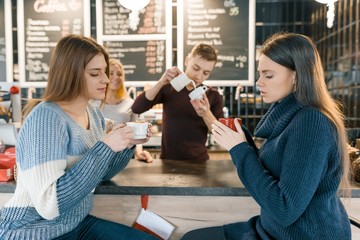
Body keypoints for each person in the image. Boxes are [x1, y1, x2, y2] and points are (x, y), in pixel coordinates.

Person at [182, 32, 352, 239]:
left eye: (268, 75)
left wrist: (240, 149)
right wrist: (243, 142)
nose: (259, 82)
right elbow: (275, 176)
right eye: (260, 74)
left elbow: (284, 209)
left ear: (297, 75)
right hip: (273, 230)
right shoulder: (293, 117)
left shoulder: (312, 122)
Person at [0, 34, 157, 240]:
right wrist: (106, 147)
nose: (107, 80)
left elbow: (102, 174)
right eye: (95, 73)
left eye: (105, 72)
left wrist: (126, 145)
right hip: (32, 230)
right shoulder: (47, 119)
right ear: (70, 75)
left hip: (73, 223)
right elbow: (49, 205)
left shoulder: (94, 114)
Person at [131, 44, 224, 160]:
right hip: (167, 161)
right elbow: (137, 108)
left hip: (200, 162)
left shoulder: (212, 95)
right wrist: (161, 82)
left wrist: (206, 113)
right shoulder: (170, 88)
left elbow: (221, 135)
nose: (199, 76)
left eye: (206, 73)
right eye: (196, 68)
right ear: (187, 61)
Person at [98, 58, 153, 162]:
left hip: (122, 157)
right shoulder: (94, 103)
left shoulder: (130, 103)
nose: (115, 77)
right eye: (111, 73)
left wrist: (139, 152)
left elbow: (136, 132)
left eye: (119, 74)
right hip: (99, 156)